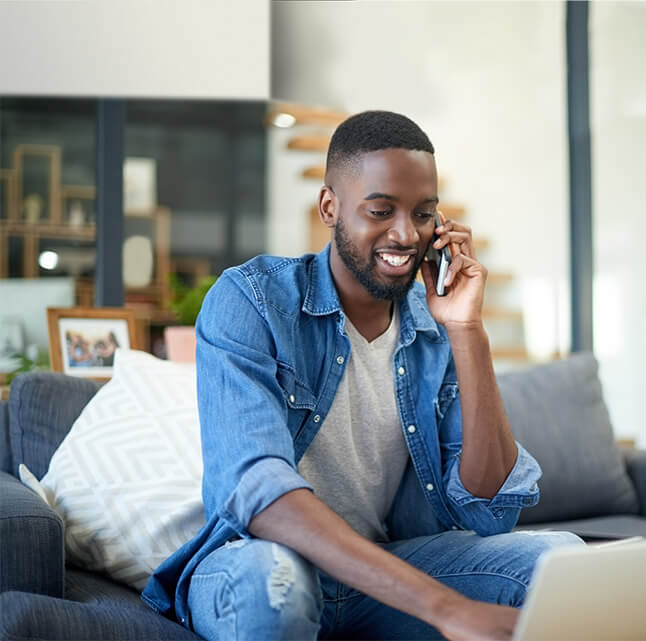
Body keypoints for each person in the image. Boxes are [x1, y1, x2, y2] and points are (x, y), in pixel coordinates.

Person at [142, 110, 581, 640]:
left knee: (557, 560)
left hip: (386, 568)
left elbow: (490, 511)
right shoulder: (251, 301)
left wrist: (468, 331)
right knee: (272, 587)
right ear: (330, 207)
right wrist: (444, 607)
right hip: (266, 558)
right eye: (380, 210)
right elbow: (257, 490)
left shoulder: (435, 332)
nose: (405, 234)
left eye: (424, 214)